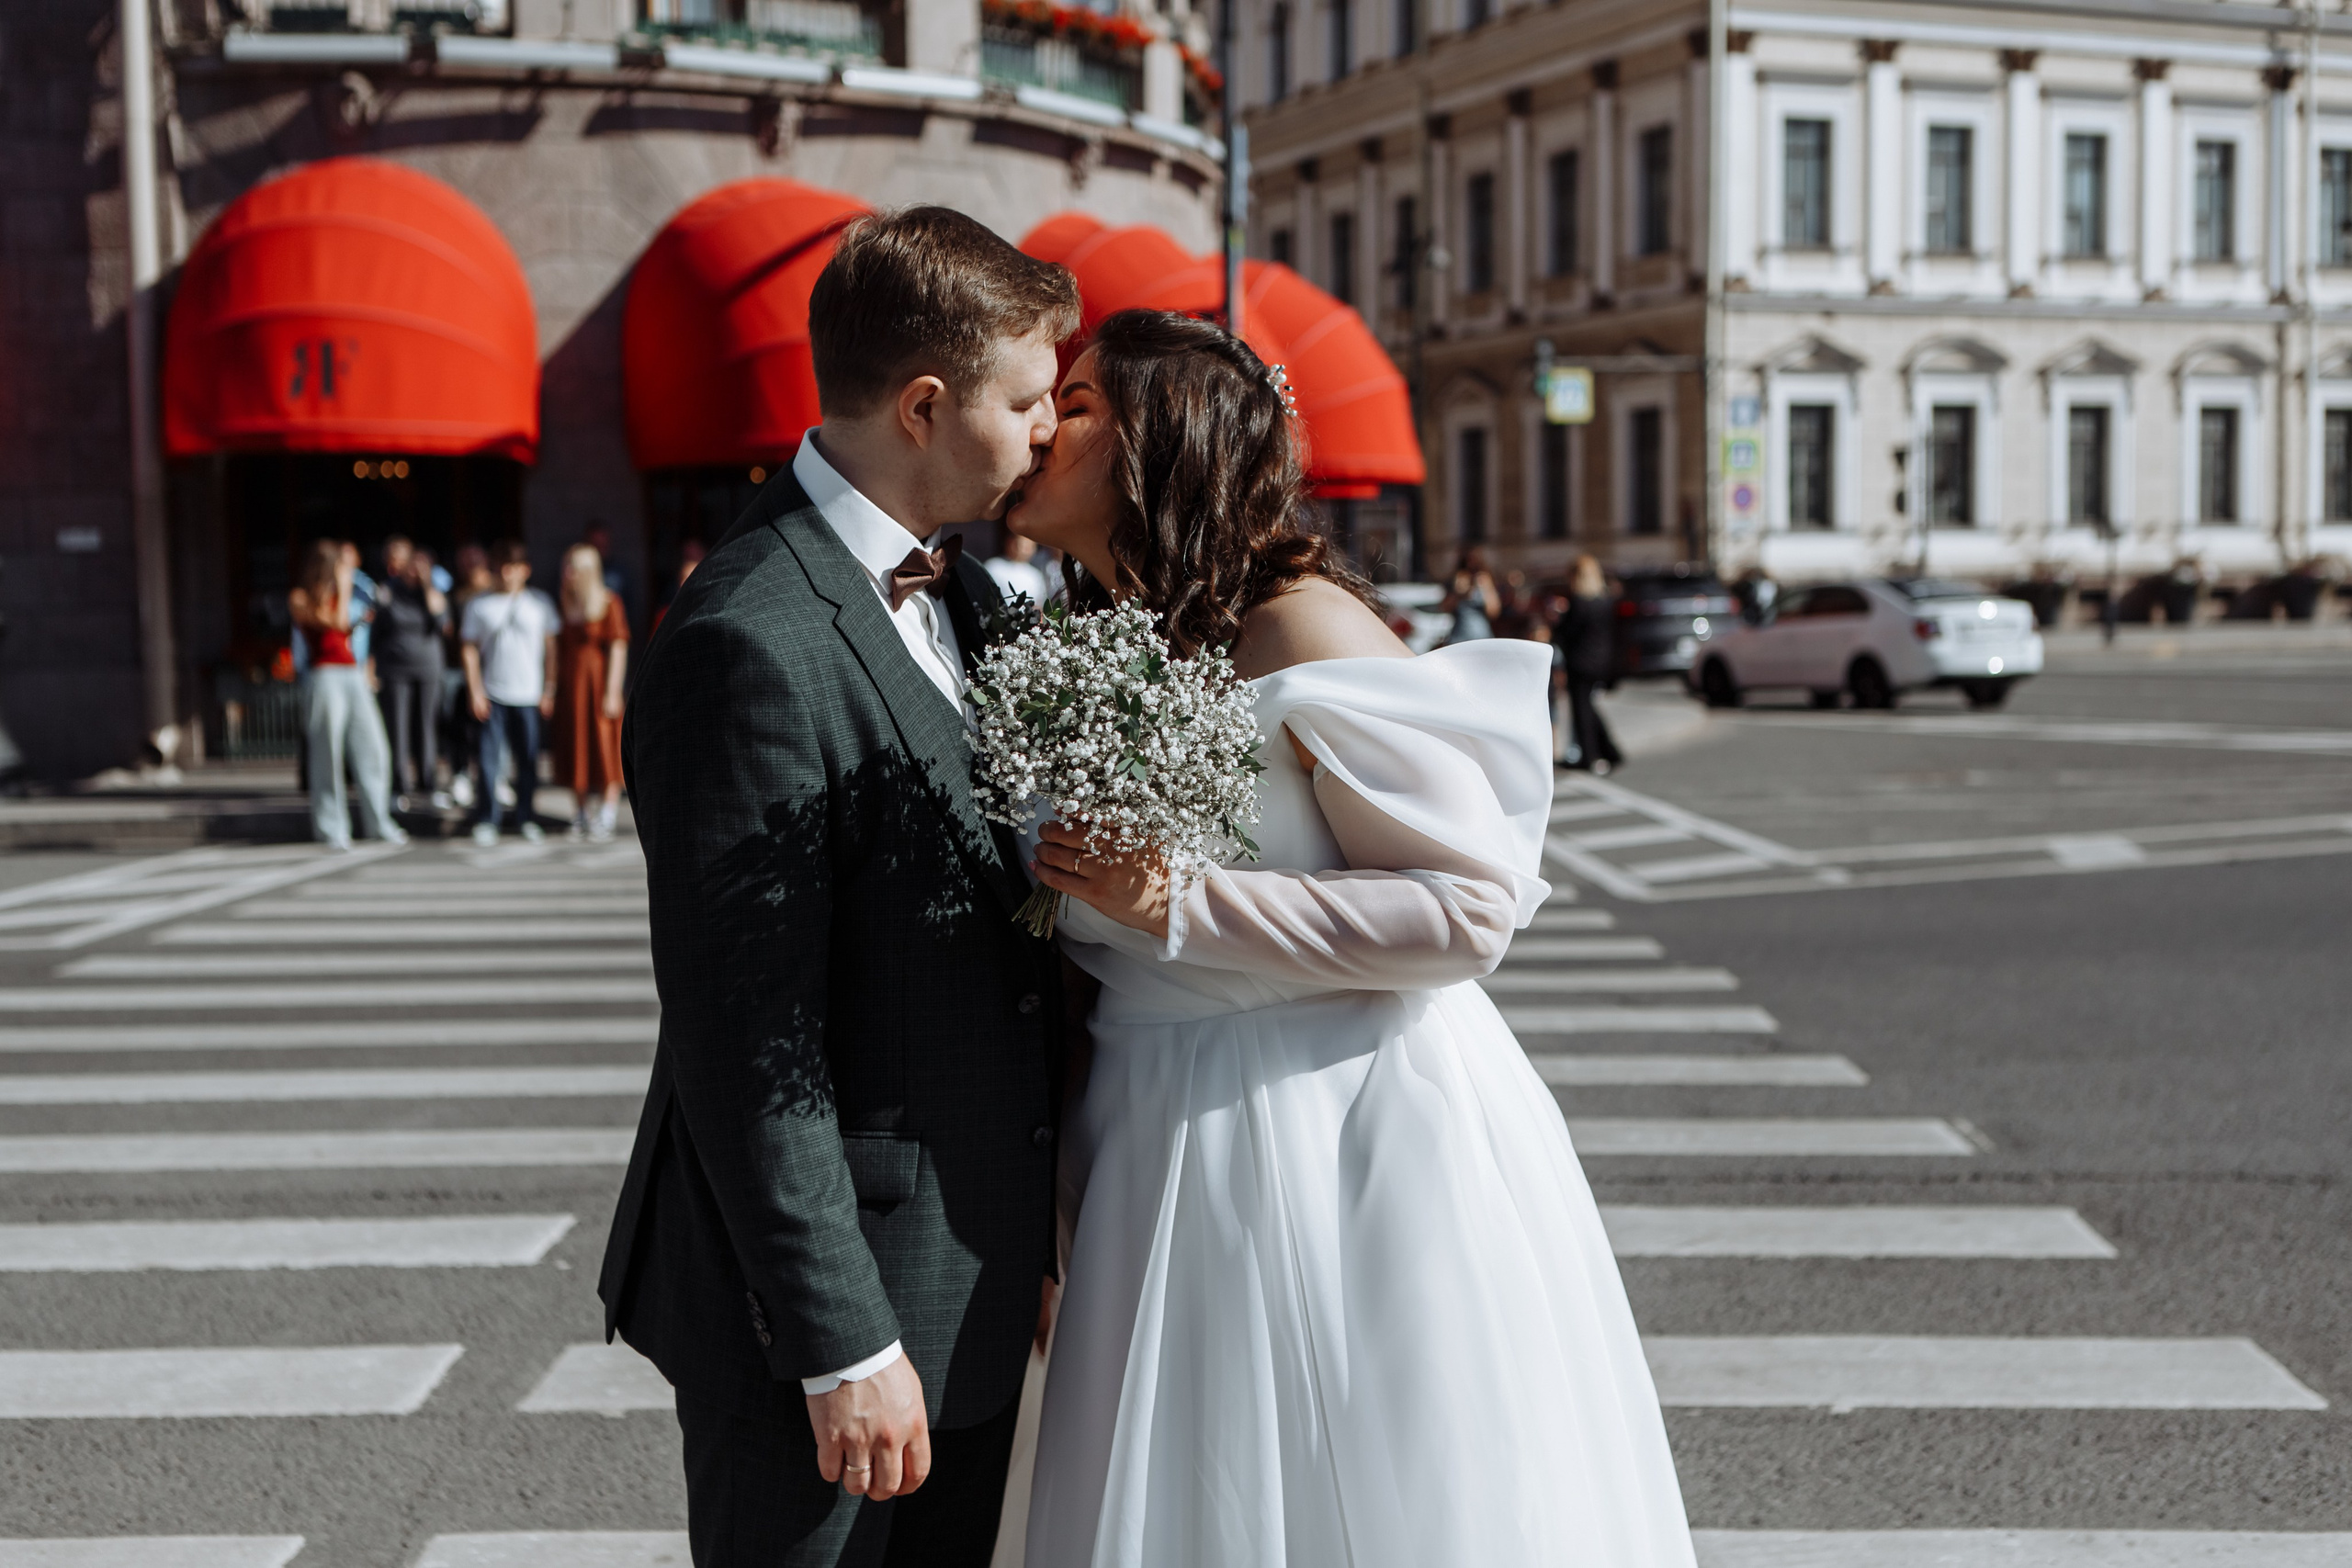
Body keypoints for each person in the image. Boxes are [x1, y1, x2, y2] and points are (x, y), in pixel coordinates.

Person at [1002, 310, 1694, 1566]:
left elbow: (1467, 904)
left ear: (1170, 438)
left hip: (1326, 1128)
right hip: (1151, 1138)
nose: (1047, 421)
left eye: (1085, 400)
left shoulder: (1297, 624)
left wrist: (1185, 903)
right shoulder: (1119, 638)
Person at [597, 207, 1081, 1568]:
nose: (1049, 428)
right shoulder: (745, 640)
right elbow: (747, 1039)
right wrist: (841, 1339)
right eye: (1029, 400)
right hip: (827, 1328)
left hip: (971, 1283)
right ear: (926, 406)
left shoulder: (973, 600)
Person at [287, 539, 404, 851]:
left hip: (352, 672)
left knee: (373, 747)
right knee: (326, 752)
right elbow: (334, 622)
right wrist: (342, 586)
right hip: (323, 676)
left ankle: (378, 821)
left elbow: (346, 628)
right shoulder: (300, 598)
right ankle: (331, 827)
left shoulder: (343, 594)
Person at [459, 540, 560, 846]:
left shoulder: (540, 604)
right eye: (502, 566)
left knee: (528, 760)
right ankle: (488, 818)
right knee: (489, 761)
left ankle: (525, 816)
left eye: (514, 567)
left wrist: (549, 689)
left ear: (525, 570)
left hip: (529, 693)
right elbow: (469, 649)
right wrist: (475, 690)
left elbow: (551, 649)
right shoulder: (479, 604)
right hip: (493, 692)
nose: (507, 573)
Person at [552, 541, 629, 841]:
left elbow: (619, 646)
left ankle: (607, 812)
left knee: (605, 744)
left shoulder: (609, 602)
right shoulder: (563, 604)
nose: (568, 573)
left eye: (573, 567)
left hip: (599, 682)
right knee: (576, 744)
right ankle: (580, 811)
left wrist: (613, 690)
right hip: (572, 685)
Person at [375, 535, 450, 811]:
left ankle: (429, 785)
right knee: (398, 729)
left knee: (426, 728)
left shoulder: (432, 591)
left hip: (428, 668)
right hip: (395, 669)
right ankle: (398, 788)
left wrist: (427, 582)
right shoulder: (388, 591)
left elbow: (442, 622)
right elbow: (377, 633)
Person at [1556, 553, 1623, 773]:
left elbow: (1566, 633)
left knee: (1582, 709)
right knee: (1589, 708)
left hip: (1580, 662)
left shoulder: (1578, 603)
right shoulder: (1604, 601)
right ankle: (1610, 751)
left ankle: (1591, 756)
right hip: (1601, 660)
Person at [445, 544, 495, 811]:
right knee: (460, 726)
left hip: (494, 669)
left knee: (493, 729)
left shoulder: (494, 595)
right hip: (459, 669)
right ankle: (461, 773)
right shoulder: (457, 595)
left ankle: (494, 777)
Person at [1438, 543, 1500, 643]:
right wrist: (1458, 594)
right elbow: (1444, 608)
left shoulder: (1484, 579)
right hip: (1459, 635)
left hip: (1481, 634)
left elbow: (1494, 612)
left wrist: (1485, 589)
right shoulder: (1456, 579)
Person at [983, 531, 1051, 611]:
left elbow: (1039, 604)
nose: (1022, 549)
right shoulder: (993, 566)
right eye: (1018, 544)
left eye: (1028, 546)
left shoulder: (1035, 575)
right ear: (1009, 542)